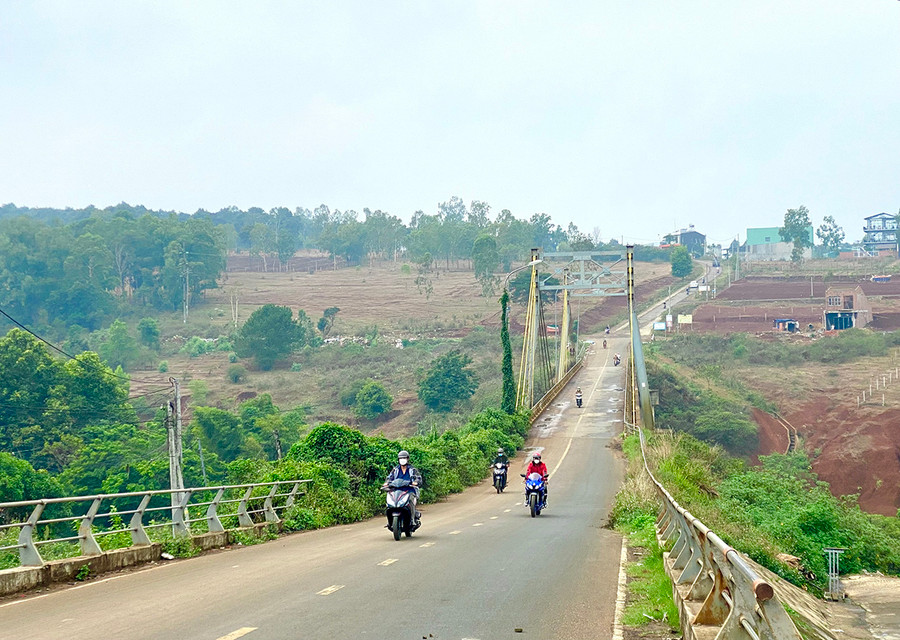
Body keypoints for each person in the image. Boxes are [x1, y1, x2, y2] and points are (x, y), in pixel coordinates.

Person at [384, 450, 423, 525]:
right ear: (398, 460)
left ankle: (412, 520)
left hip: (409, 491)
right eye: (401, 458)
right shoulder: (395, 470)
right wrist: (386, 483)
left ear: (407, 459)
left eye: (404, 458)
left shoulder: (412, 470)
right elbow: (389, 478)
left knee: (410, 500)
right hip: (396, 491)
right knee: (389, 503)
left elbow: (418, 478)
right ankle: (390, 521)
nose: (402, 460)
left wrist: (416, 482)